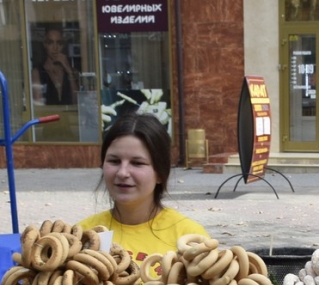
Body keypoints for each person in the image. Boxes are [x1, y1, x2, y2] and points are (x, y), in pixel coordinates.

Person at [78, 113, 209, 264]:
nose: (122, 172)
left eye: (137, 163)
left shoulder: (190, 238)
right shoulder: (85, 235)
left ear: (160, 173)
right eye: (114, 161)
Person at [32, 25, 79, 105]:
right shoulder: (38, 72)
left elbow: (77, 102)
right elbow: (38, 103)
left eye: (59, 43)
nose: (55, 48)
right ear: (45, 45)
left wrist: (69, 70)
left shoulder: (71, 71)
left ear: (63, 45)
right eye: (50, 43)